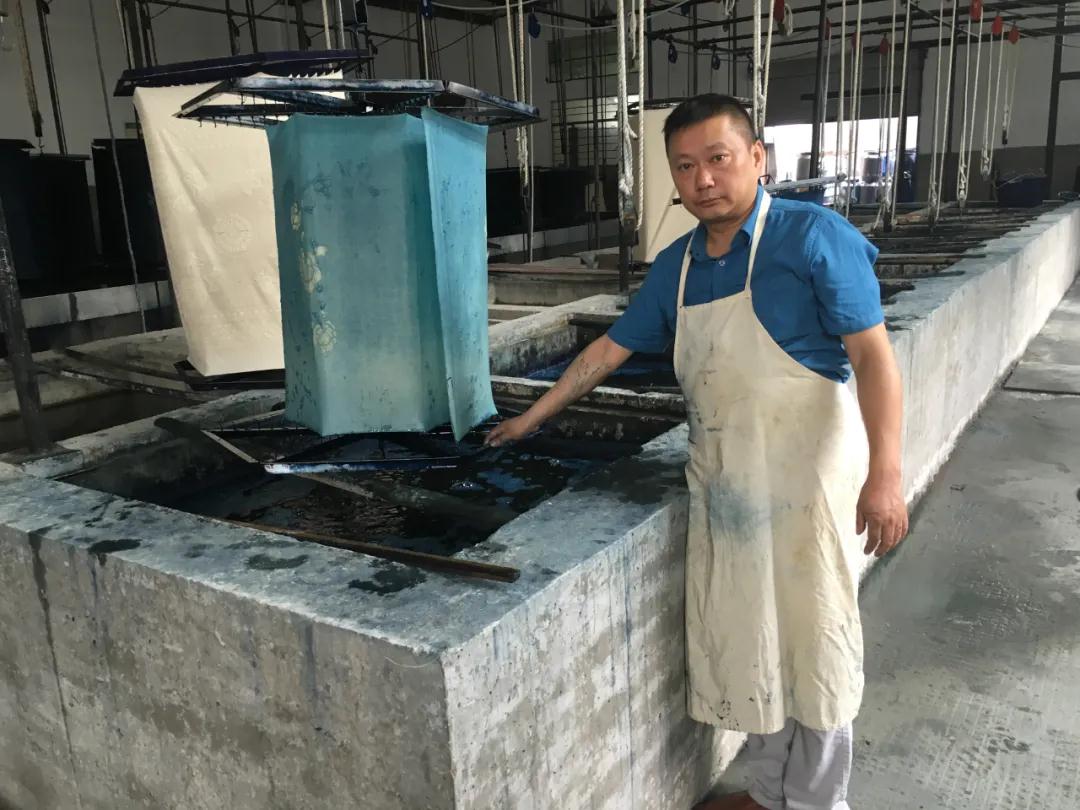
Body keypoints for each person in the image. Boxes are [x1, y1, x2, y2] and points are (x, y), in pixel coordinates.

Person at [485, 94, 908, 810]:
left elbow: (873, 359)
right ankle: (768, 792)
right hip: (725, 487)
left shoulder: (812, 237)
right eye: (684, 166)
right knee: (751, 639)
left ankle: (817, 803)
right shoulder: (677, 266)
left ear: (757, 158)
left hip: (808, 485)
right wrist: (529, 420)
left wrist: (885, 475)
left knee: (818, 643)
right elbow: (606, 352)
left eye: (718, 158)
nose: (703, 179)